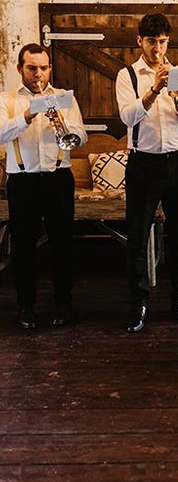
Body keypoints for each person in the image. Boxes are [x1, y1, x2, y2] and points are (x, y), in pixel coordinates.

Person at [116, 13, 178, 333]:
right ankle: (139, 303)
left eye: (163, 41)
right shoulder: (127, 75)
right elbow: (128, 117)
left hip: (177, 161)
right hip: (143, 163)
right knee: (138, 237)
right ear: (140, 41)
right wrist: (154, 89)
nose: (157, 48)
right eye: (152, 41)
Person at [0, 43, 87, 329]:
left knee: (63, 245)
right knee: (24, 247)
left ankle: (64, 304)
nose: (38, 74)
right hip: (22, 180)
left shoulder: (64, 98)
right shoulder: (7, 99)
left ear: (50, 68)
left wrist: (64, 123)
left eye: (43, 68)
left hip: (58, 177)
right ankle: (27, 306)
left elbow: (81, 137)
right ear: (20, 69)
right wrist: (27, 116)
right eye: (32, 68)